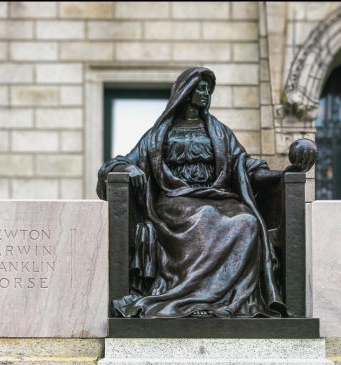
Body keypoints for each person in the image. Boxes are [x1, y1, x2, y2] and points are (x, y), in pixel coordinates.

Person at [97, 67, 317, 318]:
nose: (205, 93)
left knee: (247, 221)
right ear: (186, 91)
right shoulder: (159, 134)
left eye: (208, 89)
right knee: (205, 216)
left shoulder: (220, 132)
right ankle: (193, 299)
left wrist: (287, 173)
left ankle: (221, 301)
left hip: (218, 198)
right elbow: (118, 163)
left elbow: (247, 169)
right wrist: (128, 168)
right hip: (175, 200)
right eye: (200, 88)